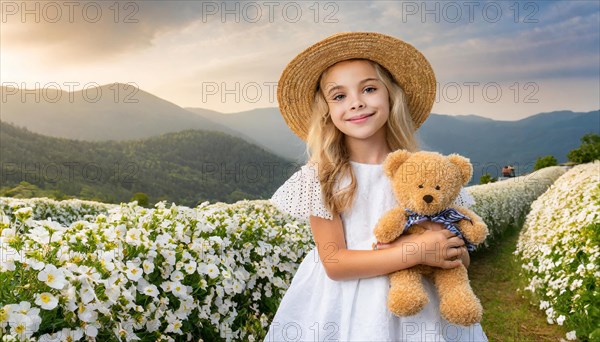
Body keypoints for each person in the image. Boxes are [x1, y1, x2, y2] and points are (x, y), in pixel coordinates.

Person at [265, 32, 488, 341]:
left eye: (368, 89)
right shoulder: (323, 177)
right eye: (339, 96)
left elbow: (459, 255)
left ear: (390, 96)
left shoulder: (424, 171)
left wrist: (447, 251)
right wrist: (415, 250)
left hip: (423, 308)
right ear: (327, 110)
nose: (356, 103)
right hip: (345, 308)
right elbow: (334, 263)